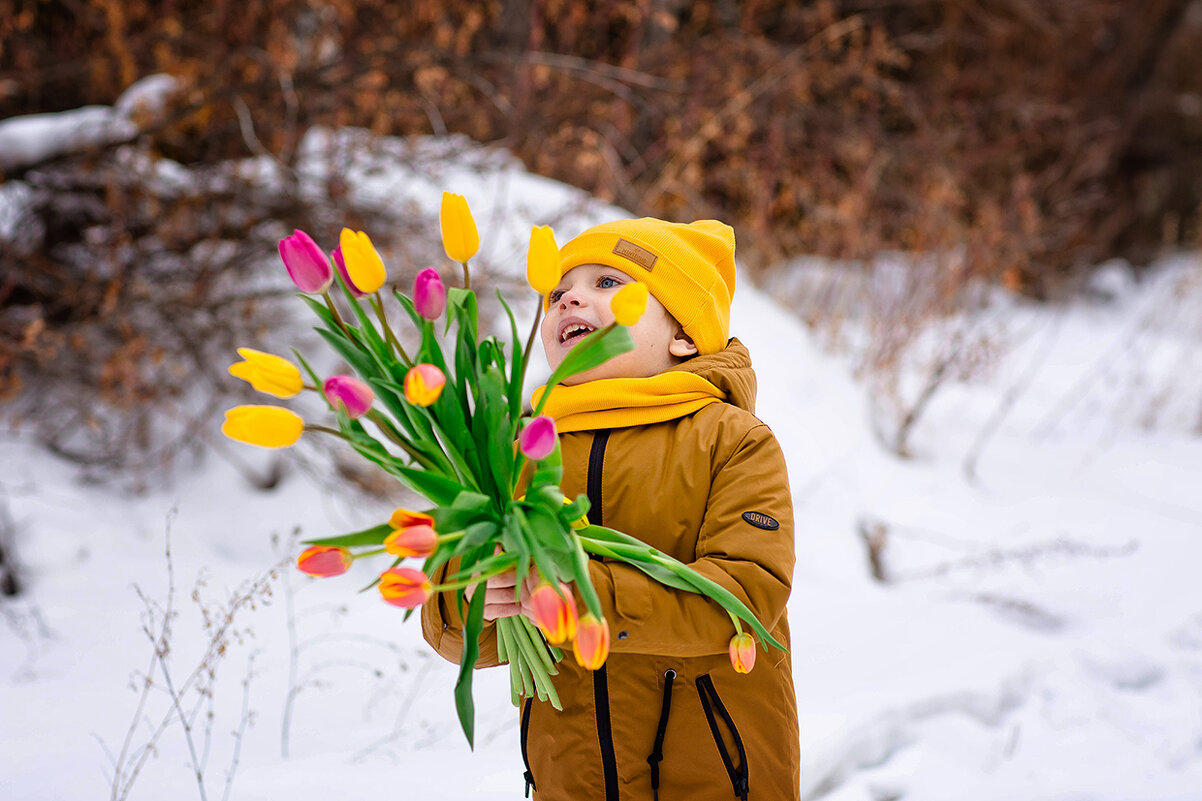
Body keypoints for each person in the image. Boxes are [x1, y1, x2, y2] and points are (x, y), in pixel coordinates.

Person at [421, 217, 799, 800]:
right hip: (571, 779)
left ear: (682, 335)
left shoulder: (729, 439)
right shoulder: (518, 451)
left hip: (715, 777)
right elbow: (458, 630)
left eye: (606, 283)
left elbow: (746, 596)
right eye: (558, 293)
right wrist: (472, 598)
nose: (571, 296)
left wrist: (580, 592)